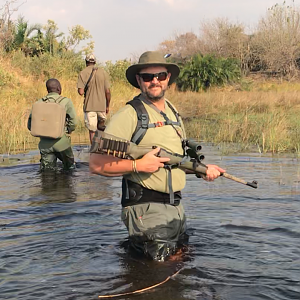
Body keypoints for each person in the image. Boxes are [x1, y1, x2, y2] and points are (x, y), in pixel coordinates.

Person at [89, 51, 225, 261]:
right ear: (138, 80)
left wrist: (203, 170)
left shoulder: (172, 111)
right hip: (147, 210)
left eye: (160, 76)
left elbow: (173, 162)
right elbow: (96, 163)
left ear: (168, 78)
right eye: (147, 77)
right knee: (159, 276)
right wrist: (138, 166)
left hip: (175, 209)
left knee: (176, 268)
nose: (155, 81)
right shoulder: (130, 114)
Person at [28, 78, 77, 171]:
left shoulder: (38, 103)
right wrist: (67, 130)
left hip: (44, 145)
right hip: (62, 143)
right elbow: (74, 122)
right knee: (70, 169)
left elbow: (30, 125)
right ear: (59, 89)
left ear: (47, 90)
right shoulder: (66, 101)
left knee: (47, 172)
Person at [77, 54, 111, 144]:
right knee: (101, 129)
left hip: (89, 106)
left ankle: (93, 151)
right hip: (102, 106)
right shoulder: (103, 72)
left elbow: (80, 92)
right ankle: (102, 149)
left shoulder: (83, 73)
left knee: (92, 131)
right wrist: (107, 106)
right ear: (95, 62)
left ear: (86, 62)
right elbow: (107, 91)